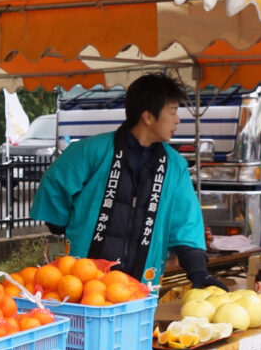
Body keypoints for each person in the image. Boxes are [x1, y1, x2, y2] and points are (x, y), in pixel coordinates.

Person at [30, 72, 225, 289]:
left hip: (140, 286)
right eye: (172, 112)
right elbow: (56, 182)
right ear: (148, 116)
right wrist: (58, 221)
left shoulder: (175, 166)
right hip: (83, 282)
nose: (177, 119)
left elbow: (186, 223)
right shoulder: (91, 151)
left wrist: (199, 272)